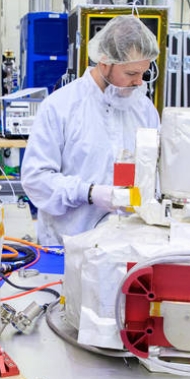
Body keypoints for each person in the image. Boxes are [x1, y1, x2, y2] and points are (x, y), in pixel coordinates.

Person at [21, 15, 160, 245]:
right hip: (70, 246)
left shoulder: (143, 110)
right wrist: (89, 192)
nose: (139, 82)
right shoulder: (61, 107)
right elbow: (36, 180)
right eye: (131, 74)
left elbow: (155, 173)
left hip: (126, 246)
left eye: (143, 73)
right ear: (105, 62)